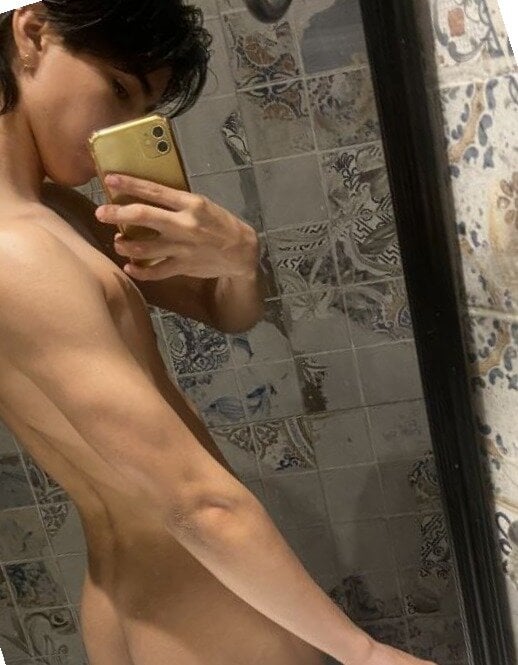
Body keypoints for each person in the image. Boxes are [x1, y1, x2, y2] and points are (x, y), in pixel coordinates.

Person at [0, 3, 439, 665]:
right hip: (204, 611)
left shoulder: (52, 213)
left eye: (140, 112)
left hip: (129, 597)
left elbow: (227, 313)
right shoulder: (21, 252)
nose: (113, 130)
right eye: (117, 89)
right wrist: (365, 653)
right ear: (34, 33)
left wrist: (236, 260)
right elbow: (196, 501)